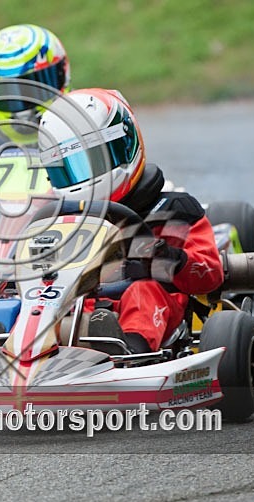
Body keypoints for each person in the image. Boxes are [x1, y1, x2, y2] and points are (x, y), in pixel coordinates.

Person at [36, 88, 224, 352]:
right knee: (35, 301)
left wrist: (165, 256)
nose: (83, 177)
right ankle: (7, 346)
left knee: (143, 291)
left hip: (154, 312)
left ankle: (131, 350)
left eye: (92, 162)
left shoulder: (173, 210)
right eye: (71, 168)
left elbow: (209, 275)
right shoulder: (61, 220)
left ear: (124, 146)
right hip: (82, 311)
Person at [0, 24, 72, 268]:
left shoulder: (86, 139)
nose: (23, 104)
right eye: (6, 92)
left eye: (33, 87)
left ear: (61, 76)